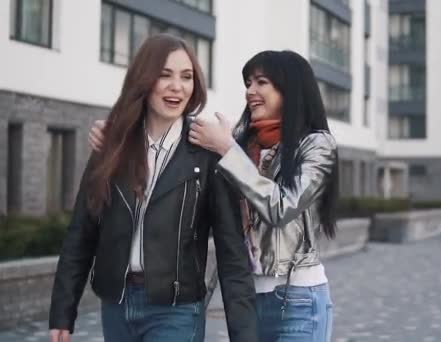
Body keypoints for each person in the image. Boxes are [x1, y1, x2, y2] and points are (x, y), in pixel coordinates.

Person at [90, 50, 340, 342]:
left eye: (261, 82)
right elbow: (171, 131)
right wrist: (115, 134)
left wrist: (228, 150)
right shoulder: (240, 138)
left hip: (298, 300)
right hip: (249, 300)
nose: (250, 91)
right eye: (248, 83)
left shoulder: (317, 145)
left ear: (290, 88)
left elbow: (282, 207)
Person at [49, 33, 257, 342]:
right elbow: (81, 233)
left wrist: (245, 335)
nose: (177, 86)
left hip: (177, 310)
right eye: (165, 75)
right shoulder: (112, 145)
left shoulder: (206, 152)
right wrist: (62, 313)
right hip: (116, 306)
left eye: (186, 77)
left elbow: (232, 252)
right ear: (144, 80)